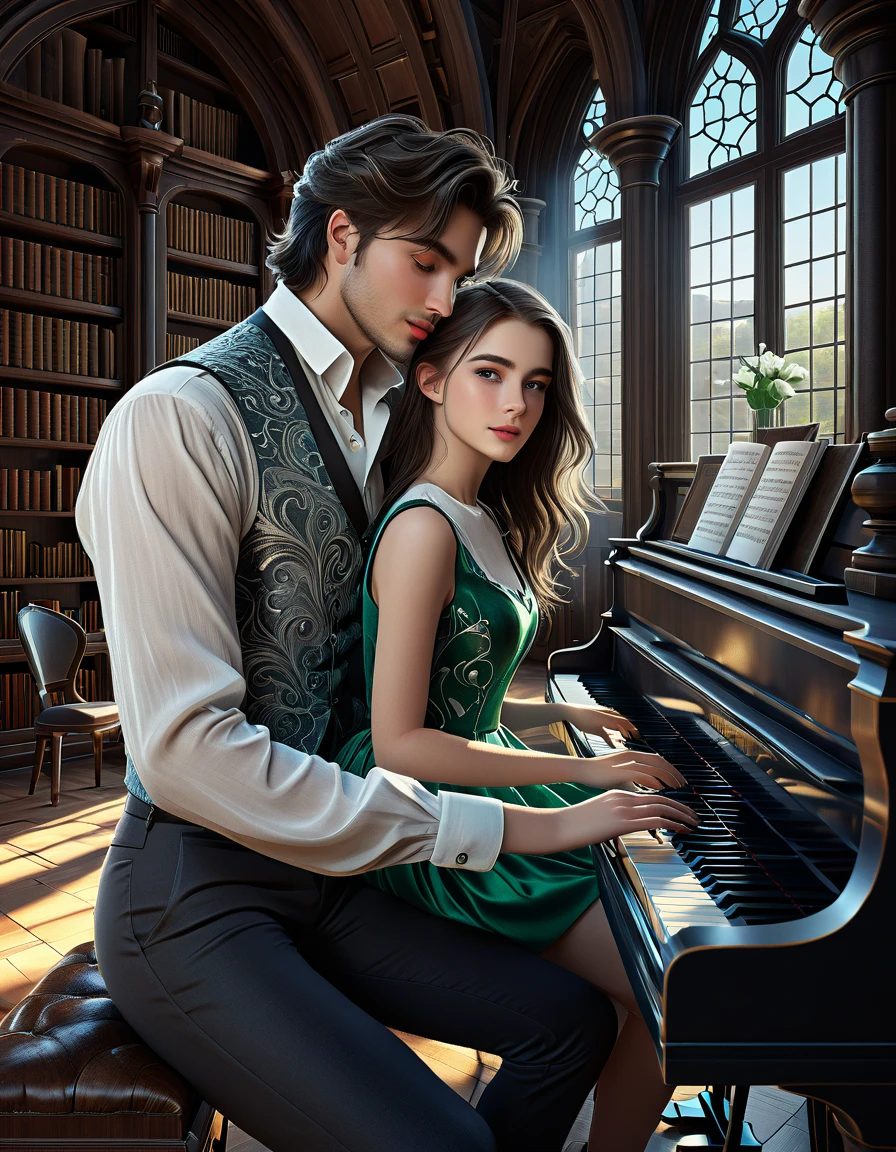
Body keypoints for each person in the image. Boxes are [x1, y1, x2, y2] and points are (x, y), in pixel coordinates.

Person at [77, 114, 695, 1152]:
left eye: (461, 273)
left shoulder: (384, 420)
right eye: (426, 262)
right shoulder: (177, 416)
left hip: (332, 874)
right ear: (340, 237)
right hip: (195, 894)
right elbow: (181, 755)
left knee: (573, 1023)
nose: (446, 300)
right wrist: (502, 826)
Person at [336, 277, 696, 1152]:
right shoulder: (424, 527)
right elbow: (402, 740)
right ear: (431, 380)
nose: (518, 403)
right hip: (422, 811)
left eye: (536, 383)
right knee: (674, 991)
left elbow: (470, 700)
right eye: (490, 374)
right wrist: (579, 774)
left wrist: (562, 724)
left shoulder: (482, 515)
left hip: (469, 773)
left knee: (652, 996)